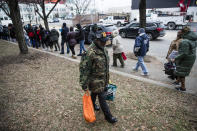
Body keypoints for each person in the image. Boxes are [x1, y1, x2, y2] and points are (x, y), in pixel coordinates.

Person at [79, 31, 117, 124]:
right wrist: (83, 84)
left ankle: (92, 105)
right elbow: (84, 69)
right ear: (96, 40)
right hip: (95, 81)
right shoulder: (90, 53)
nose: (104, 43)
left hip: (103, 79)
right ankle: (108, 117)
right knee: (102, 98)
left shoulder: (104, 49)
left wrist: (107, 78)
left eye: (105, 41)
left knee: (94, 94)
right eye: (102, 41)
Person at [172, 26, 197, 91]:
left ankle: (183, 87)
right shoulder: (192, 39)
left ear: (183, 33)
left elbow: (184, 53)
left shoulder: (185, 41)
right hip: (191, 57)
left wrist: (175, 58)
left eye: (180, 32)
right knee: (181, 71)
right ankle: (177, 81)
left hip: (186, 59)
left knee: (182, 72)